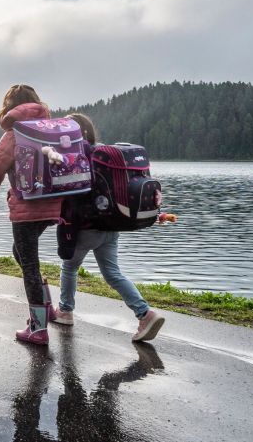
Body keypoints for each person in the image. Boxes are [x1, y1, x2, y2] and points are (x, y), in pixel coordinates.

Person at [53, 113, 167, 342]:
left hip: (85, 228)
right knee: (113, 274)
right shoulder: (104, 154)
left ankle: (65, 311)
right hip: (112, 225)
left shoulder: (78, 156)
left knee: (69, 267)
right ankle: (145, 314)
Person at [0, 84, 62, 345]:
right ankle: (47, 307)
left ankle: (38, 328)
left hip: (27, 208)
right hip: (54, 205)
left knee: (30, 266)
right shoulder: (52, 130)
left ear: (9, 106)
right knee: (19, 252)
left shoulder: (15, 133)